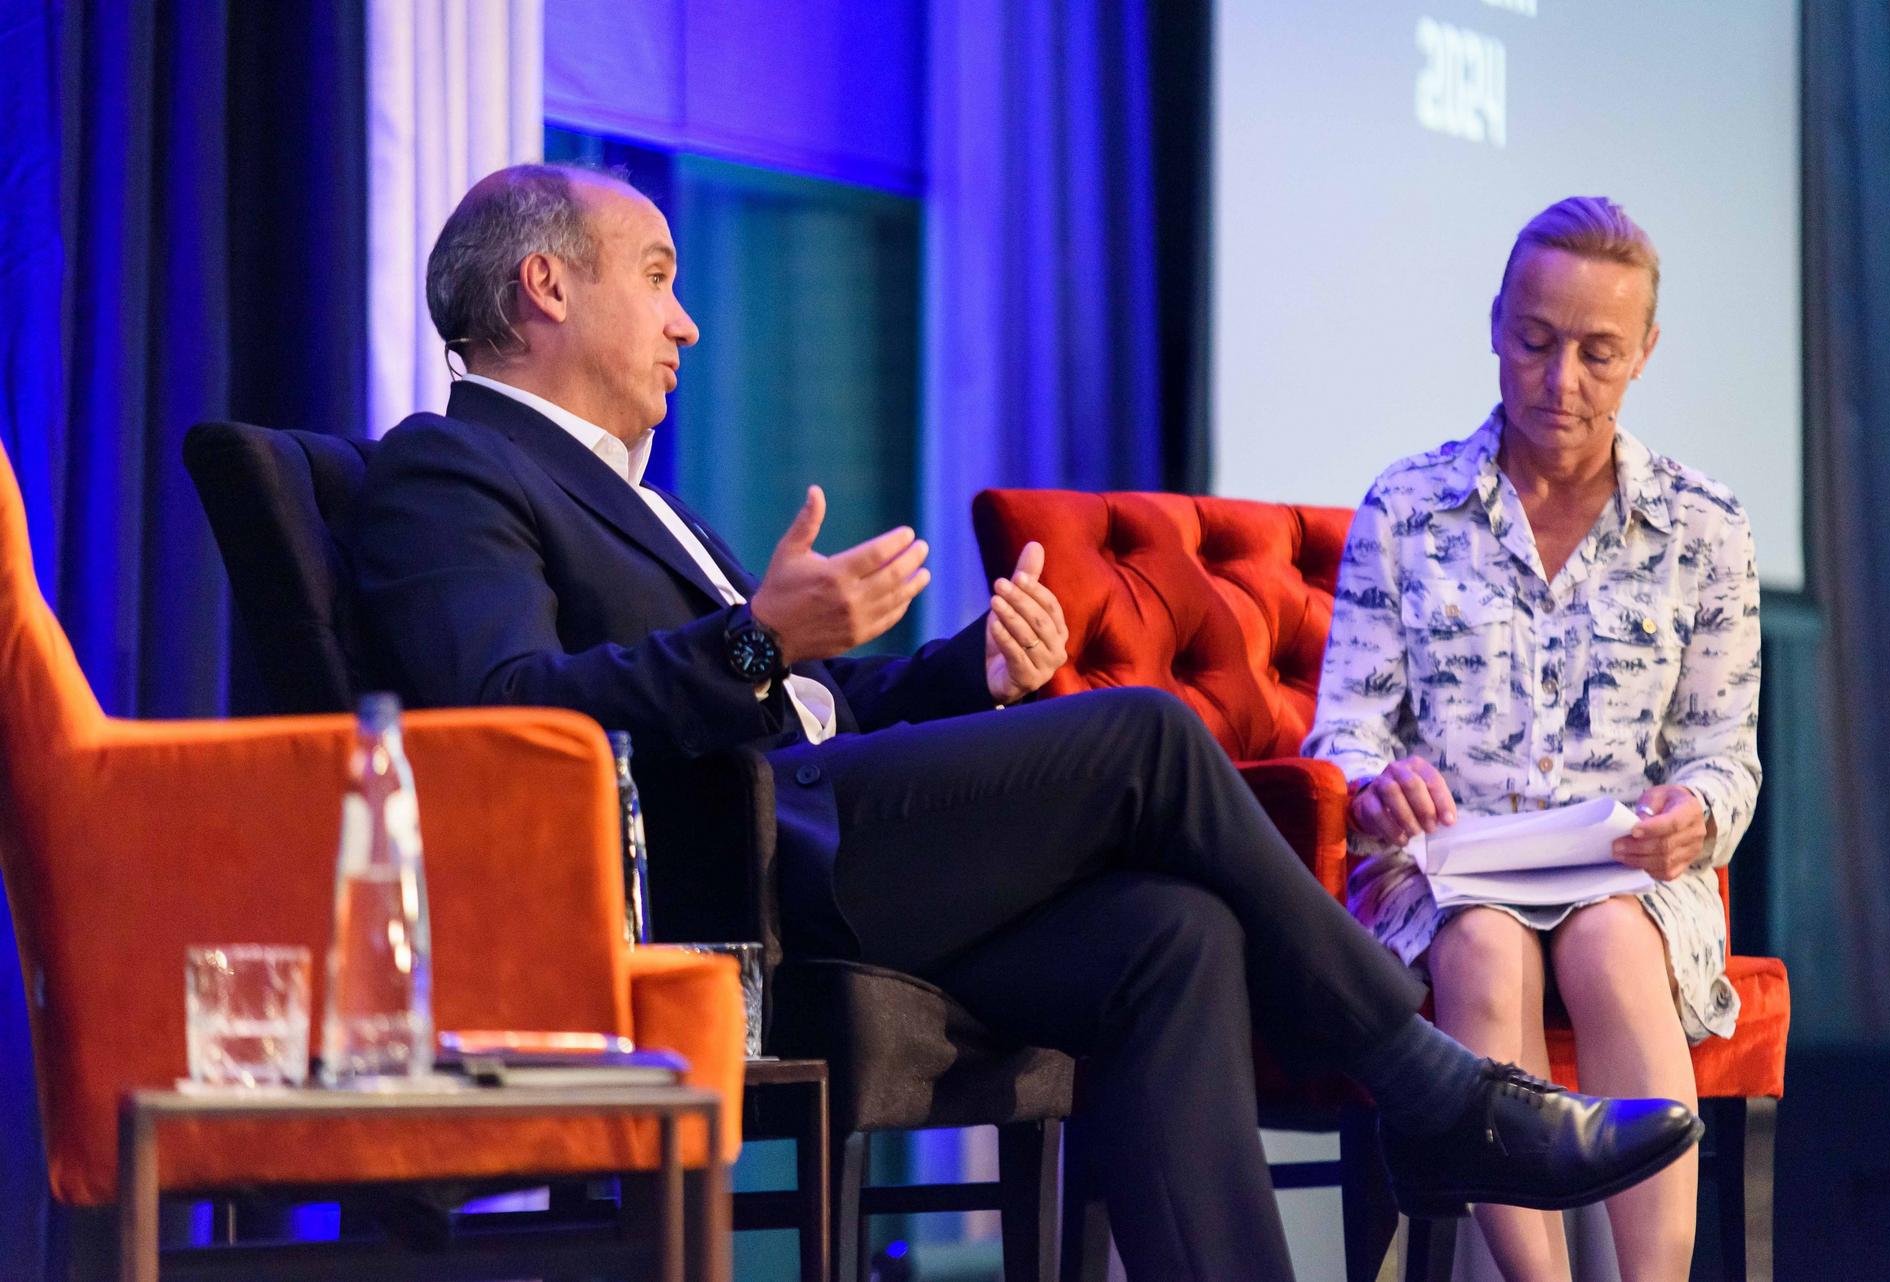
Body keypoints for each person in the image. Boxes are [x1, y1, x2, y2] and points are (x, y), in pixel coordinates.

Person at [350, 165, 1704, 1281]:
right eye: (656, 275)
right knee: (1148, 740)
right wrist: (759, 636)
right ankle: (1432, 1086)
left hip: (825, 826)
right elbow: (501, 713)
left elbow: (819, 704)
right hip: (732, 874)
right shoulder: (449, 466)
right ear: (545, 285)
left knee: (1174, 934)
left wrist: (967, 675)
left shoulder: (646, 496)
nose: (686, 321)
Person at [1303, 196, 1761, 1282]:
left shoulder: (1704, 526)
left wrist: (1692, 816)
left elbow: (1723, 757)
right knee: (1483, 944)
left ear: (1646, 352)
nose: (1563, 382)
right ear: (1497, 324)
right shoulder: (1408, 507)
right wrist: (1378, 786)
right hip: (1453, 873)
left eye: (1599, 353)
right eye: (1537, 342)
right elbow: (1347, 732)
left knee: (1609, 939)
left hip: (1627, 877)